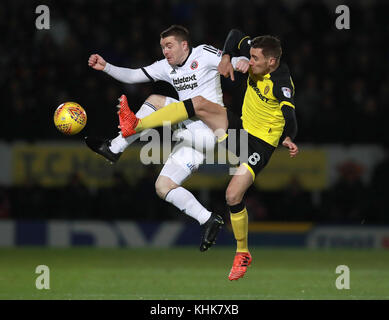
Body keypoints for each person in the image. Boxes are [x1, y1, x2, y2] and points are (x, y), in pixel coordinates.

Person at [117, 29, 299, 280]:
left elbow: (290, 116)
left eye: (255, 59)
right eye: (251, 56)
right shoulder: (256, 57)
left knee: (233, 195)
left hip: (260, 145)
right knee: (200, 103)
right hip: (241, 128)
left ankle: (242, 252)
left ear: (271, 62)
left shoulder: (280, 84)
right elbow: (235, 35)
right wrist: (226, 56)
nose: (250, 61)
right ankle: (134, 125)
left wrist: (288, 136)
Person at [86, 25, 248, 252]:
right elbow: (133, 75)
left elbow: (231, 58)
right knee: (163, 187)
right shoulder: (166, 67)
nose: (165, 51)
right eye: (162, 47)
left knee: (156, 99)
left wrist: (242, 60)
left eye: (169, 46)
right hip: (192, 137)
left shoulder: (203, 53)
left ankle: (115, 146)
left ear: (184, 45)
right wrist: (106, 67)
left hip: (210, 129)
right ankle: (209, 219)